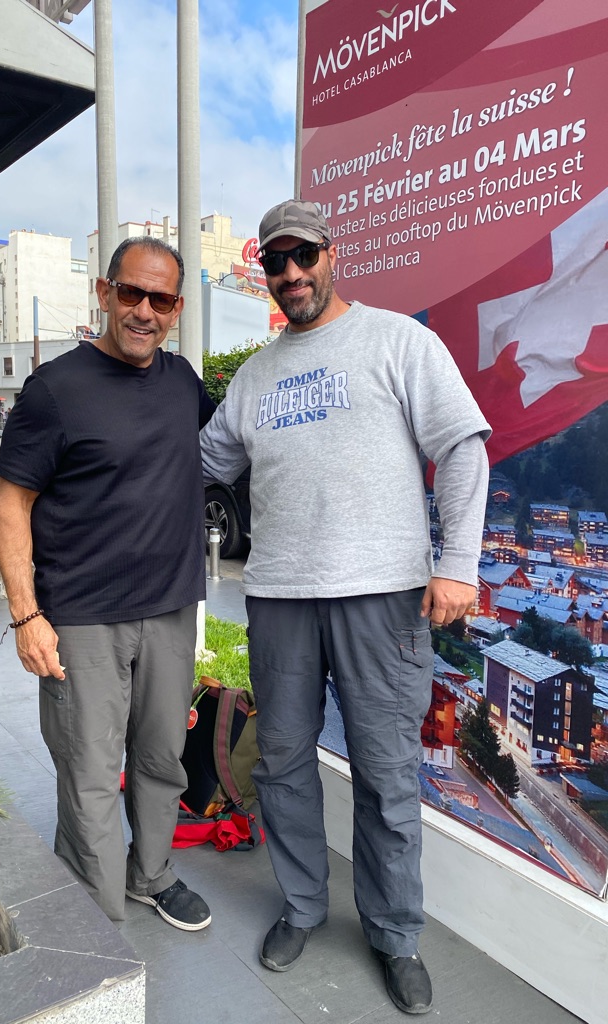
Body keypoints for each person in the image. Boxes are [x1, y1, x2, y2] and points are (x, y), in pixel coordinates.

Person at [199, 200, 491, 1015]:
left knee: (387, 776)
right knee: (283, 766)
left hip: (382, 599)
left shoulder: (398, 342)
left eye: (305, 256)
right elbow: (200, 462)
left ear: (333, 254)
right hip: (280, 600)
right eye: (276, 261)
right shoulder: (254, 377)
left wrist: (458, 564)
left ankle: (395, 934)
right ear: (264, 270)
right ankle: (301, 908)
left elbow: (462, 447)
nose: (292, 273)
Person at [0, 236, 216, 931]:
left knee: (161, 759)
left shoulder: (184, 383)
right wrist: (27, 615)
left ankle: (151, 874)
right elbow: (11, 504)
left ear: (177, 308)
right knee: (89, 770)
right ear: (104, 292)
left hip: (171, 610)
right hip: (83, 617)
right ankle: (96, 909)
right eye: (131, 293)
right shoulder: (54, 389)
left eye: (161, 299)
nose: (144, 310)